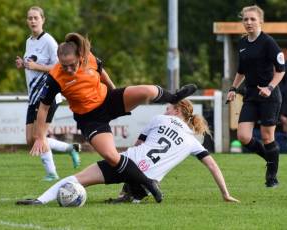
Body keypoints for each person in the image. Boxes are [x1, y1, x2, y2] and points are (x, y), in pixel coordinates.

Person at [28, 32, 198, 202]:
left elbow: (102, 73)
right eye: (64, 66)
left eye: (72, 65)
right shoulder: (54, 78)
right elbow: (43, 108)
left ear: (80, 56)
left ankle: (174, 97)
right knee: (112, 156)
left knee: (147, 91)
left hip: (108, 100)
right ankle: (148, 184)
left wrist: (115, 90)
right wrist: (40, 137)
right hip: (90, 118)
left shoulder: (90, 58)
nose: (69, 70)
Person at [16, 99, 239, 205]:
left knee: (76, 179)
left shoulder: (160, 119)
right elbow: (213, 165)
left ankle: (40, 201)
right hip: (147, 180)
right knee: (139, 184)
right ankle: (132, 194)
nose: (165, 110)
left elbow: (136, 145)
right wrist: (225, 194)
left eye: (169, 107)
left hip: (125, 164)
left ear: (177, 110)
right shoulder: (193, 141)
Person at [15, 6, 81, 181]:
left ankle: (51, 173)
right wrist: (24, 64)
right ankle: (69, 149)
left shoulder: (50, 41)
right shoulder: (29, 41)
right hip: (33, 96)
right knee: (30, 140)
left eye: (36, 17)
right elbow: (33, 63)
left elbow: (61, 66)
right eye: (30, 18)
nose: (33, 21)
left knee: (39, 136)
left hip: (47, 95)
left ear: (43, 20)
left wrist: (36, 67)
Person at [226, 5, 285, 187]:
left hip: (269, 95)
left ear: (260, 21)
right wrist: (233, 88)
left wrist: (269, 87)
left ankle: (271, 176)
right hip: (251, 95)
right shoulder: (243, 43)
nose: (248, 22)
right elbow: (241, 71)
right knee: (243, 136)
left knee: (268, 137)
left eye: (252, 19)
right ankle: (271, 158)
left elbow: (281, 70)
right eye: (245, 19)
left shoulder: (269, 42)